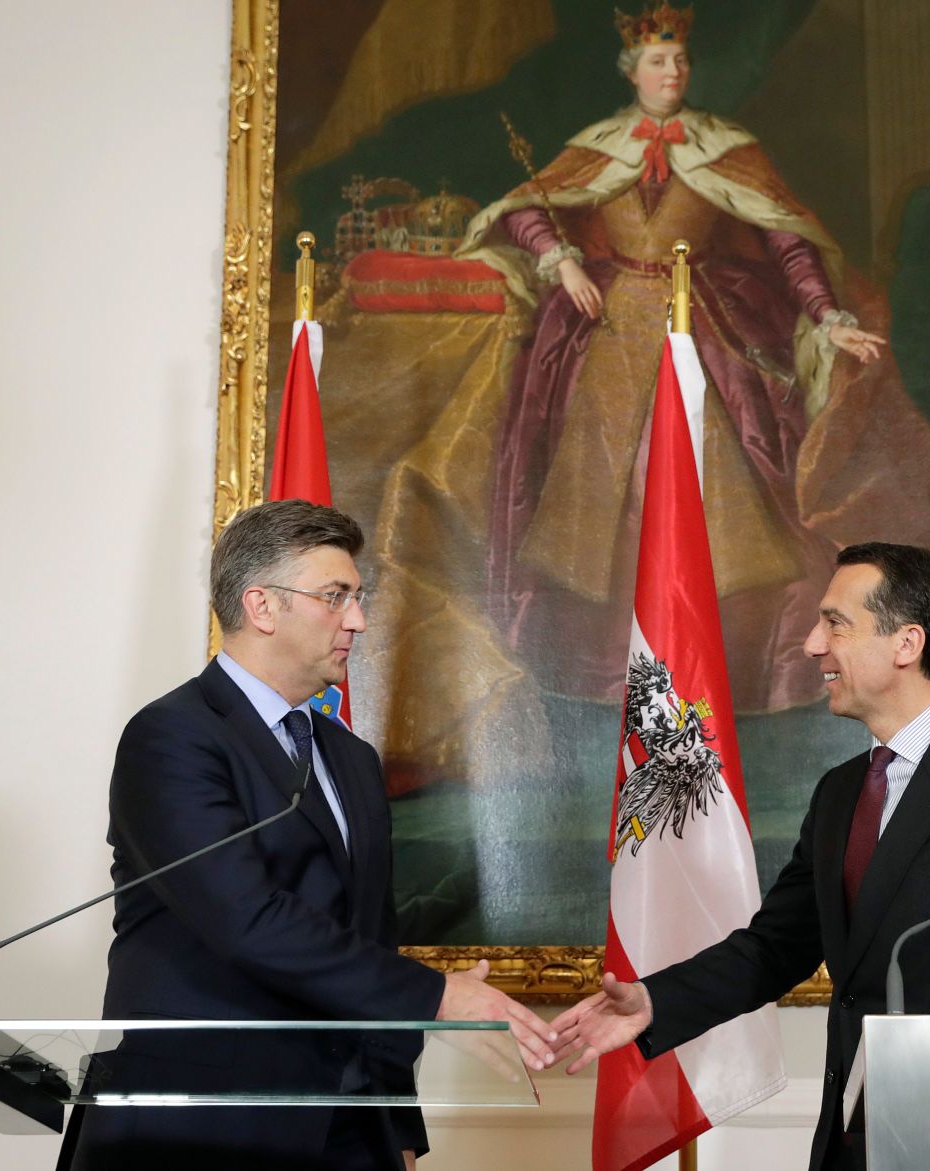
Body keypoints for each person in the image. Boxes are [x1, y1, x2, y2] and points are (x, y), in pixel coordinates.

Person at [552, 542, 930, 1170]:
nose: (812, 644)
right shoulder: (842, 790)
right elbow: (776, 945)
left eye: (834, 623)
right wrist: (656, 1001)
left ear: (906, 643)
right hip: (855, 1137)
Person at [57, 500, 557, 1171]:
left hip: (350, 1132)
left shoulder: (351, 758)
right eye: (335, 597)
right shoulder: (172, 737)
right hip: (201, 1127)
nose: (358, 619)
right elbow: (248, 918)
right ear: (262, 606)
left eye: (357, 597)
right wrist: (437, 995)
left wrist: (398, 1127)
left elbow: (371, 938)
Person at [458, 0, 888, 712]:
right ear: (633, 70)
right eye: (659, 60)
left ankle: (718, 661)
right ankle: (606, 668)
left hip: (704, 333)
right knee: (600, 501)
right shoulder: (600, 145)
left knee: (720, 493)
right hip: (611, 335)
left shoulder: (728, 147)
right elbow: (528, 207)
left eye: (681, 59)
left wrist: (828, 313)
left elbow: (787, 238)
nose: (673, 70)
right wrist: (561, 259)